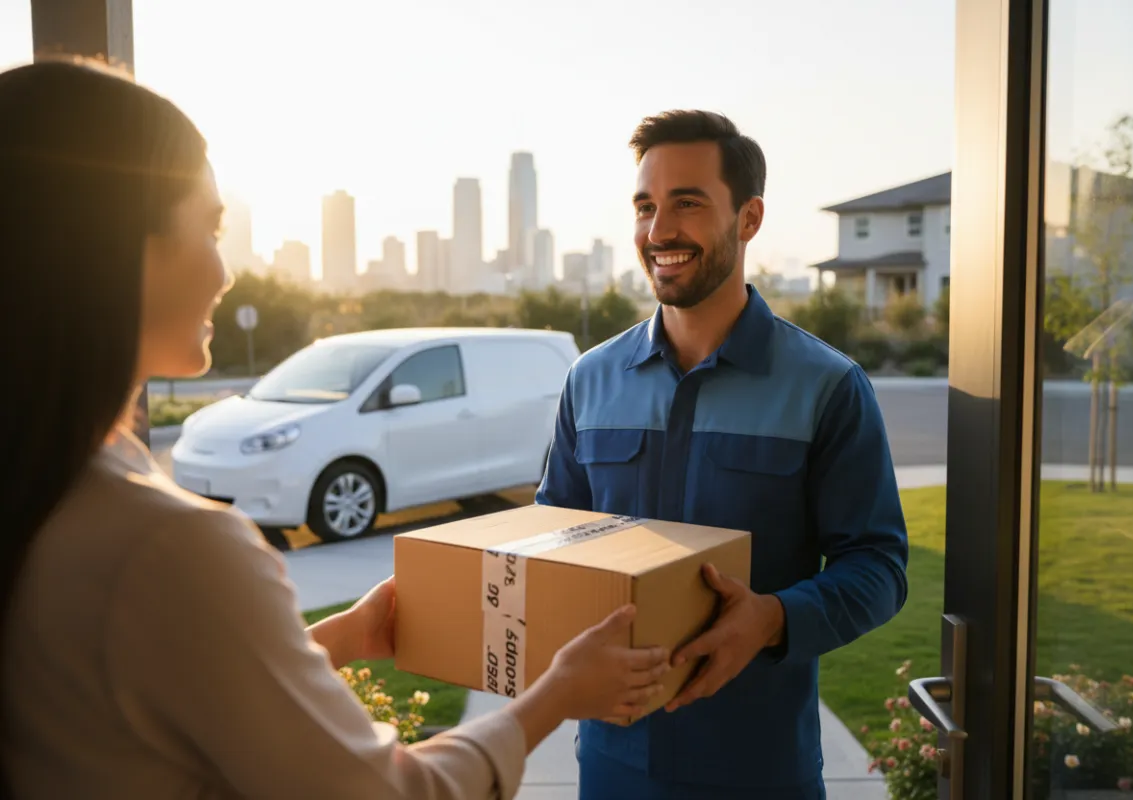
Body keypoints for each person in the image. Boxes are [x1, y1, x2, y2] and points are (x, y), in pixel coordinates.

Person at [0, 60, 671, 800]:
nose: (226, 273)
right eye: (212, 227)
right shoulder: (169, 548)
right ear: (121, 245)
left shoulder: (53, 487)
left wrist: (338, 642)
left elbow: (151, 689)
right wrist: (555, 694)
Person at [536, 109, 910, 798]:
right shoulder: (588, 381)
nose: (658, 231)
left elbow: (879, 567)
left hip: (761, 769)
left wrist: (773, 618)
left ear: (749, 218)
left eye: (687, 203)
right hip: (612, 768)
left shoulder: (827, 386)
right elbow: (552, 539)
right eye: (646, 206)